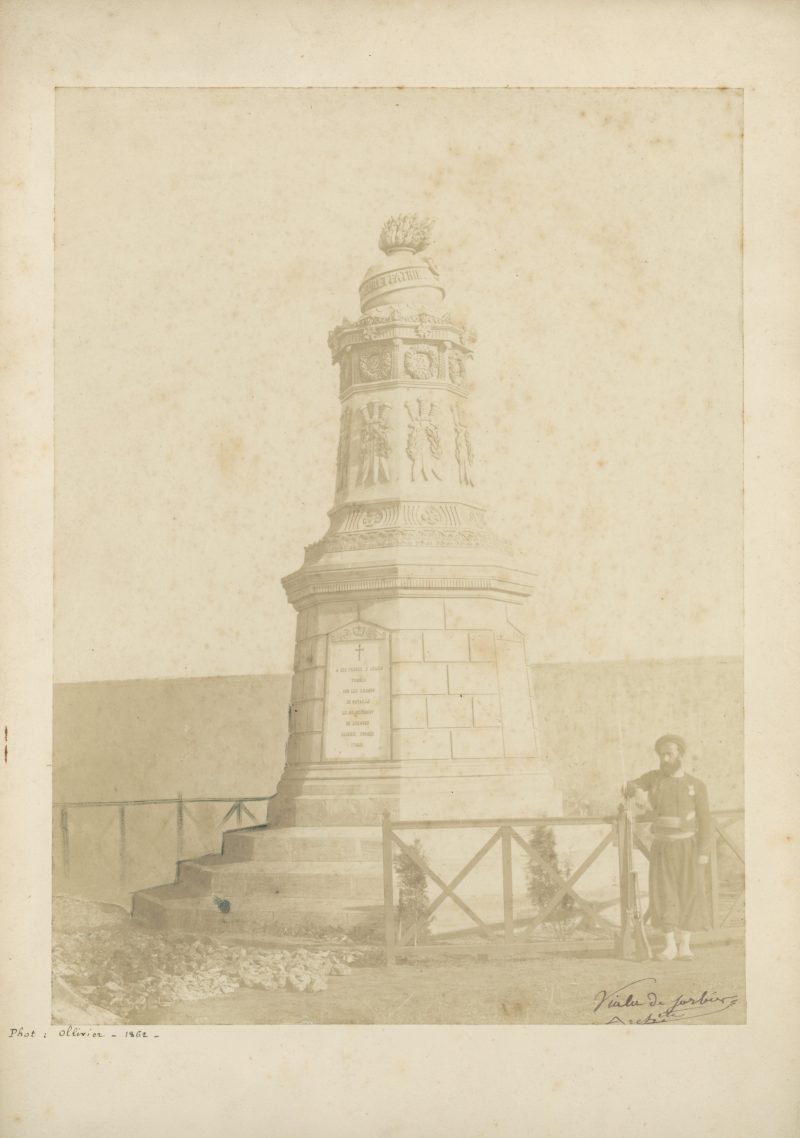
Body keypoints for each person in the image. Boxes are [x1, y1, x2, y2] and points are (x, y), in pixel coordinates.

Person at [624, 734, 711, 961]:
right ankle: (670, 946)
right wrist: (639, 791)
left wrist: (703, 852)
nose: (665, 758)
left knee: (689, 892)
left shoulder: (696, 785)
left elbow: (705, 822)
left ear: (680, 754)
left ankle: (685, 946)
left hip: (689, 847)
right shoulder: (653, 778)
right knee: (665, 894)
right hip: (662, 847)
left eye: (669, 753)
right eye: (661, 754)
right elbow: (627, 786)